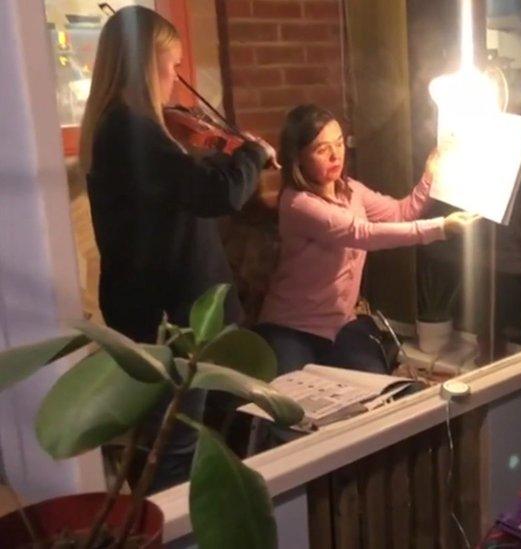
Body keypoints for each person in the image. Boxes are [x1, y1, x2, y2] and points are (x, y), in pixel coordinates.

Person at [79, 6, 277, 489]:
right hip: (172, 319)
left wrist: (220, 158)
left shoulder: (129, 129)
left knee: (205, 431)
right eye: (170, 65)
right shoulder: (130, 131)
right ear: (145, 65)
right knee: (173, 450)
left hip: (175, 314)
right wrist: (251, 154)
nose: (176, 78)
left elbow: (181, 187)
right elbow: (216, 194)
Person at [256, 104, 478, 375]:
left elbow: (401, 212)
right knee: (292, 404)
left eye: (338, 143)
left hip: (341, 324)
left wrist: (431, 174)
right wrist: (440, 228)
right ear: (298, 157)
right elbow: (361, 234)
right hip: (292, 326)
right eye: (321, 149)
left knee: (378, 392)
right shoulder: (298, 203)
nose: (335, 155)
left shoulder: (351, 191)